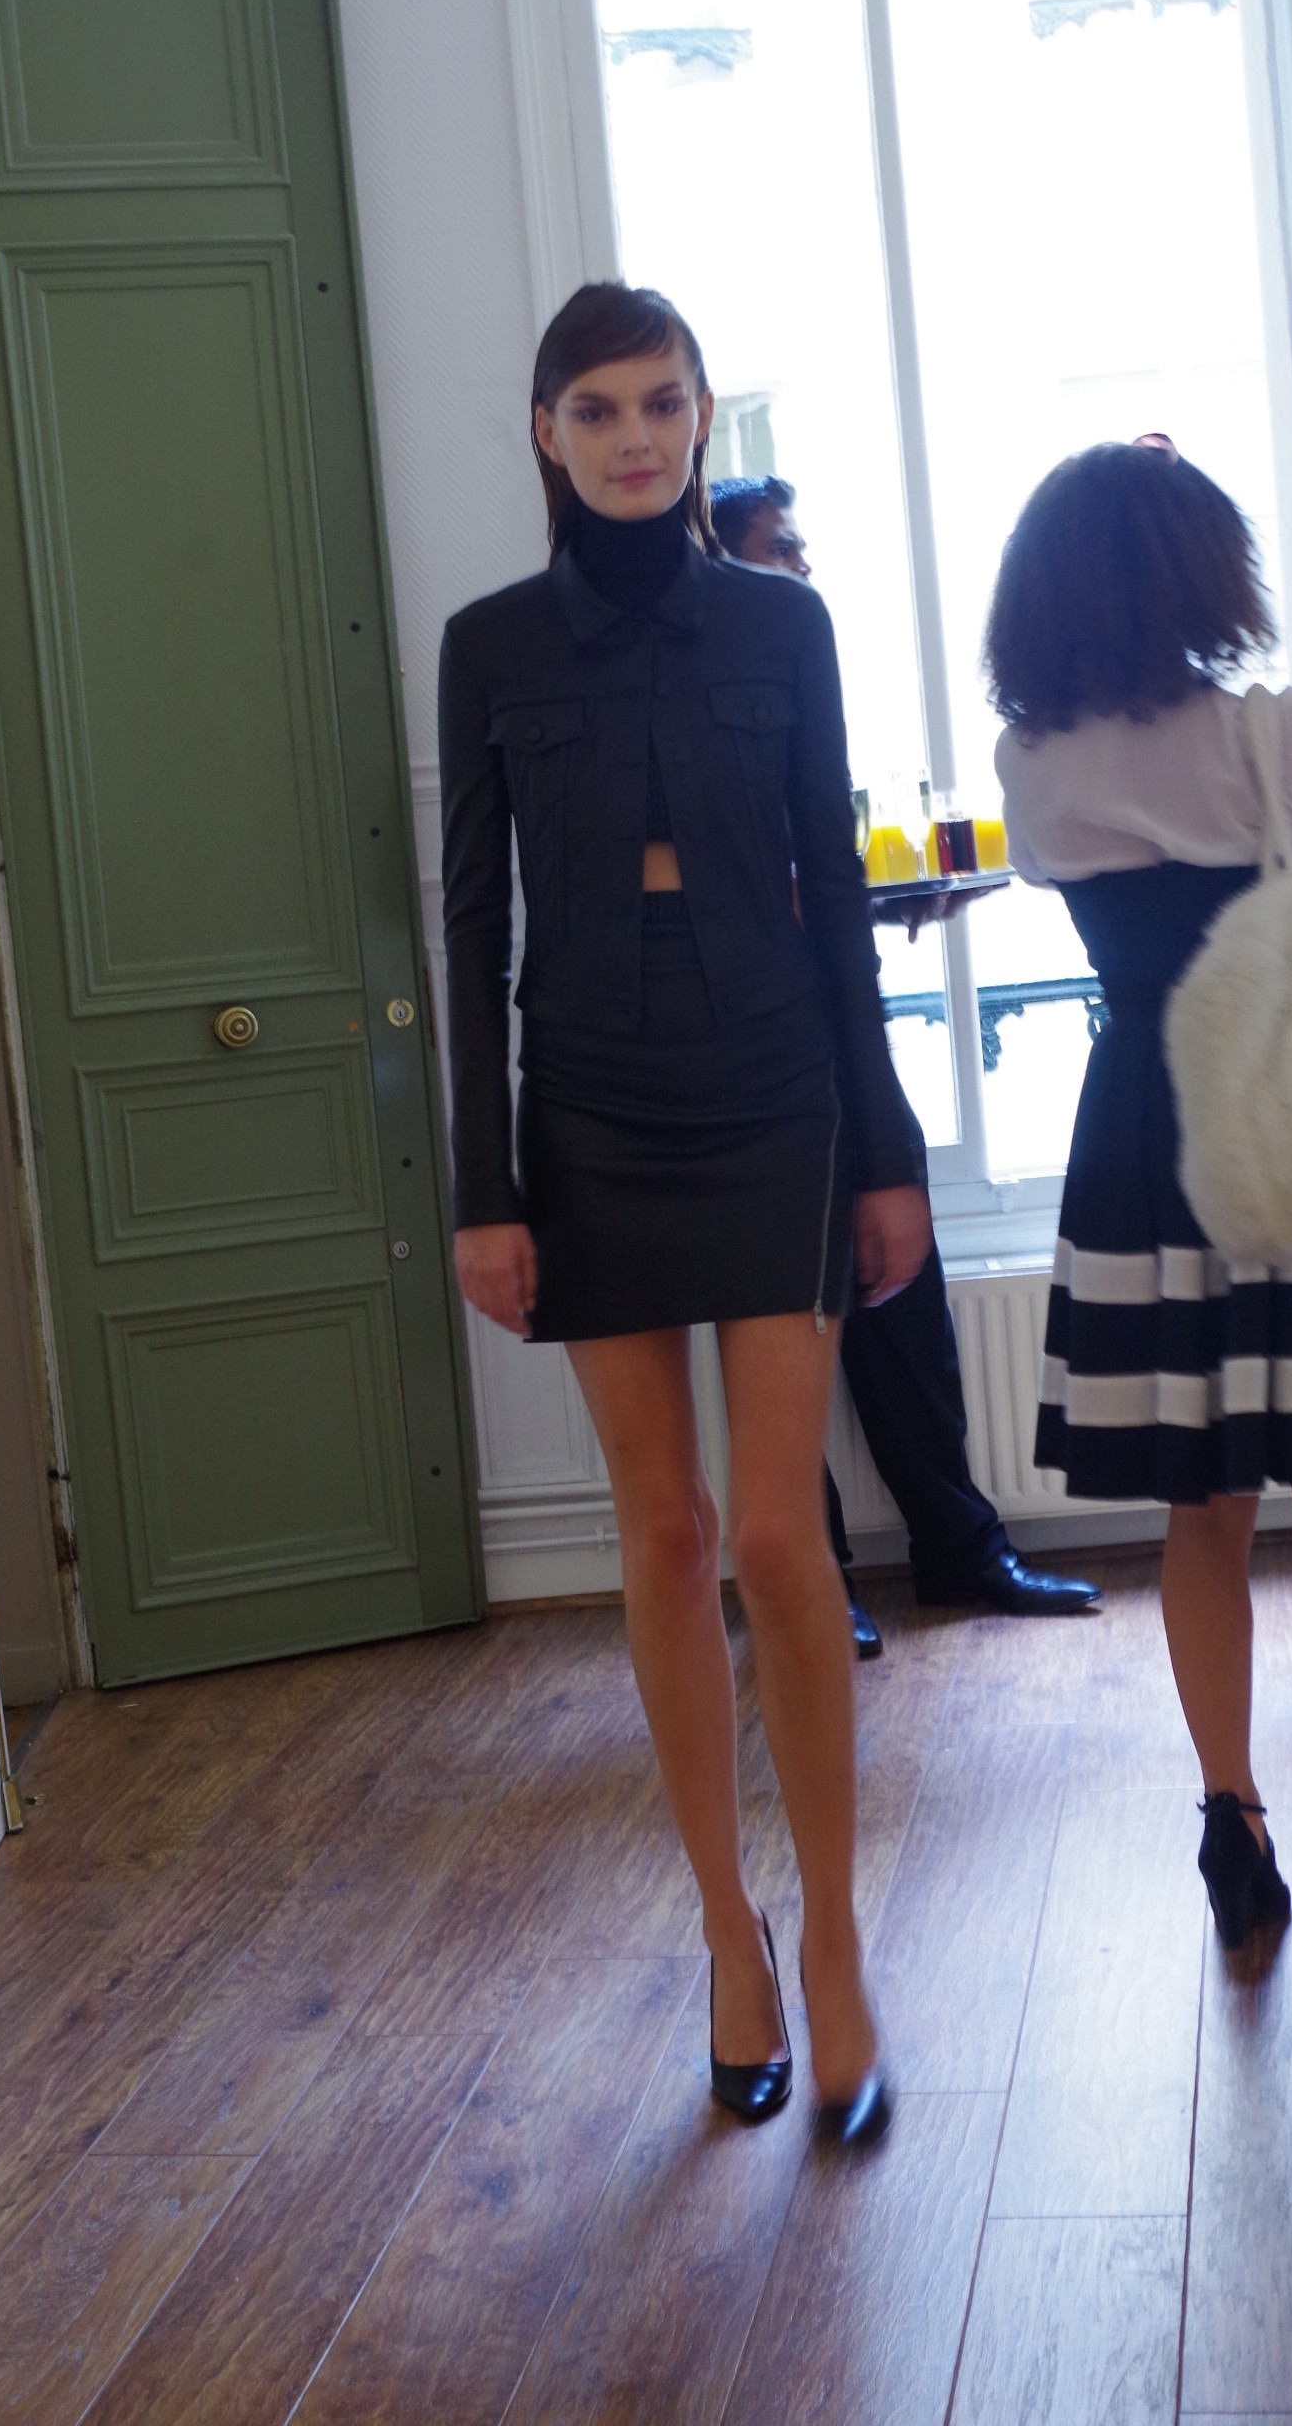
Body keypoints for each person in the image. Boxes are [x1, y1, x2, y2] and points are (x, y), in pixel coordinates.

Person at [441, 283, 923, 2136]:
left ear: (702, 416)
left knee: (780, 1540)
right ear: (546, 432)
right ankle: (730, 1935)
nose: (634, 436)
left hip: (775, 1090)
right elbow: (470, 926)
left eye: (662, 402)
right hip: (586, 1110)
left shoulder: (785, 624)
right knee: (662, 1531)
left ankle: (838, 1936)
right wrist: (482, 1187)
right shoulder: (487, 646)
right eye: (597, 408)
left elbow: (836, 889)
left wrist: (887, 1149)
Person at [989, 436, 1292, 1988]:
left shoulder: (1030, 765)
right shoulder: (1280, 731)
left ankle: (1232, 1830)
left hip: (1141, 1129)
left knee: (1201, 1514)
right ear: (1199, 570)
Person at [709, 473, 1100, 1653]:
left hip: (845, 1046)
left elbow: (819, 885)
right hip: (735, 1068)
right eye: (782, 548)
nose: (803, 567)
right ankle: (806, 1581)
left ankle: (960, 1552)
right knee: (769, 1331)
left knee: (904, 1304)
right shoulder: (694, 714)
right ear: (723, 563)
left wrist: (888, 899)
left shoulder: (799, 697)